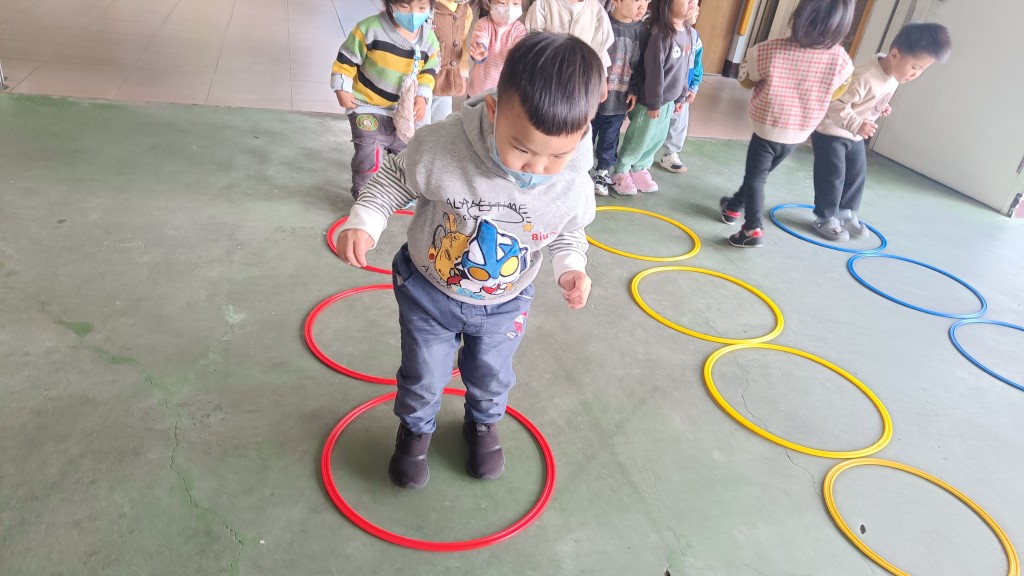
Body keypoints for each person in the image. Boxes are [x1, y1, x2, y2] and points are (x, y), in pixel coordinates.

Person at [335, 33, 602, 489]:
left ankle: (482, 422)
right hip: (428, 291)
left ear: (582, 132)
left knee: (492, 374)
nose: (536, 168)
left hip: (506, 302)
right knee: (423, 374)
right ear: (494, 110)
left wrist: (571, 266)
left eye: (557, 155)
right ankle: (416, 429)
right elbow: (396, 178)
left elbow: (567, 226)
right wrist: (365, 220)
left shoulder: (572, 175)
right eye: (522, 148)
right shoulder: (444, 145)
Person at [718, 0, 855, 248]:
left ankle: (752, 229)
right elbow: (838, 90)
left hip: (768, 127)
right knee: (759, 174)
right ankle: (734, 205)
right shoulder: (840, 58)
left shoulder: (771, 49)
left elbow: (745, 80)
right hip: (799, 132)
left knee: (756, 178)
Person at [809, 22, 952, 241]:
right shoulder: (865, 76)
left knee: (856, 174)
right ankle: (825, 217)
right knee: (833, 175)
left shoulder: (894, 73)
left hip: (854, 134)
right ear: (894, 55)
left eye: (922, 70)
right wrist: (857, 124)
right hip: (831, 132)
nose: (916, 74)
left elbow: (871, 98)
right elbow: (836, 104)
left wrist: (879, 107)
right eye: (915, 67)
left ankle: (845, 213)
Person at [332, 0, 440, 199]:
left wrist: (422, 96)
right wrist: (342, 88)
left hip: (402, 111)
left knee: (406, 154)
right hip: (366, 106)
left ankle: (398, 194)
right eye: (405, 6)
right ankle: (365, 196)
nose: (413, 14)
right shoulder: (369, 29)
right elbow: (346, 61)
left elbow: (429, 70)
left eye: (422, 8)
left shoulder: (429, 38)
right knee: (369, 153)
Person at [611, 0, 699, 195]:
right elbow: (654, 72)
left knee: (656, 138)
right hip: (650, 102)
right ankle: (621, 170)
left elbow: (686, 68)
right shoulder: (660, 35)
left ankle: (640, 167)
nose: (693, 2)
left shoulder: (688, 33)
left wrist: (681, 96)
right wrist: (654, 103)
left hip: (668, 101)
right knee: (640, 137)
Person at [590, 0, 650, 196]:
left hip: (620, 96)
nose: (642, 7)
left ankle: (602, 171)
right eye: (636, 1)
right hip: (593, 97)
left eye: (646, 1)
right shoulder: (600, 22)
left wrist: (634, 90)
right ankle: (581, 170)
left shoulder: (643, 31)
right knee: (586, 134)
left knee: (610, 137)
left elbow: (642, 66)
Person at [656, 16, 702, 174]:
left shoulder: (694, 35)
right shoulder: (661, 31)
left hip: (683, 89)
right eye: (690, 4)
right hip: (663, 88)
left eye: (696, 5)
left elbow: (697, 62)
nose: (696, 9)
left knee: (679, 121)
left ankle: (670, 154)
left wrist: (694, 85)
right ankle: (641, 158)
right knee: (654, 122)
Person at [466, 0, 528, 98]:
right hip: (478, 89)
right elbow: (480, 36)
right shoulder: (484, 23)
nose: (509, 9)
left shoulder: (519, 29)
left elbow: (519, 48)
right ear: (488, 3)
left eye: (515, 4)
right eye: (502, 3)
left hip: (503, 92)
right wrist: (479, 49)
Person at [427, 0, 475, 123]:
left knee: (442, 122)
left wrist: (462, 74)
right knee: (420, 123)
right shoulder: (427, 5)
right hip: (423, 74)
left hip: (447, 77)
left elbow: (461, 42)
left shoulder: (466, 10)